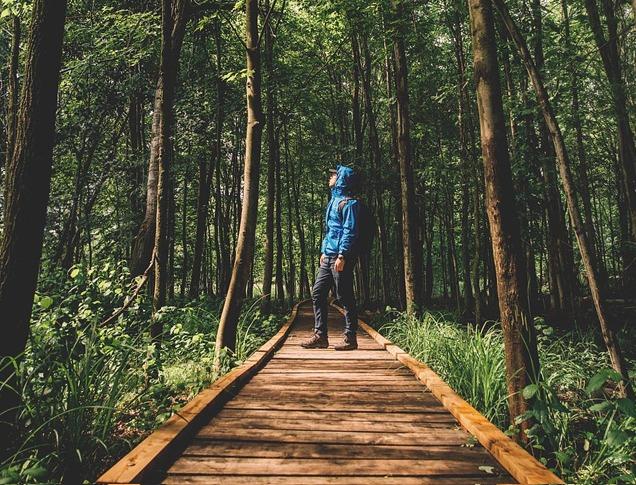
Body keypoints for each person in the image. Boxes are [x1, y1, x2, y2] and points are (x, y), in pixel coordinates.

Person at [302, 164, 359, 351]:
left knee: (344, 296)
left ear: (341, 178)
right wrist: (324, 251)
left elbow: (349, 231)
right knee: (318, 293)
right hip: (329, 256)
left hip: (340, 257)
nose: (330, 178)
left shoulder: (349, 203)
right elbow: (331, 230)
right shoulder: (334, 200)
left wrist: (342, 255)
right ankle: (320, 336)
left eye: (333, 175)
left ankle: (350, 338)